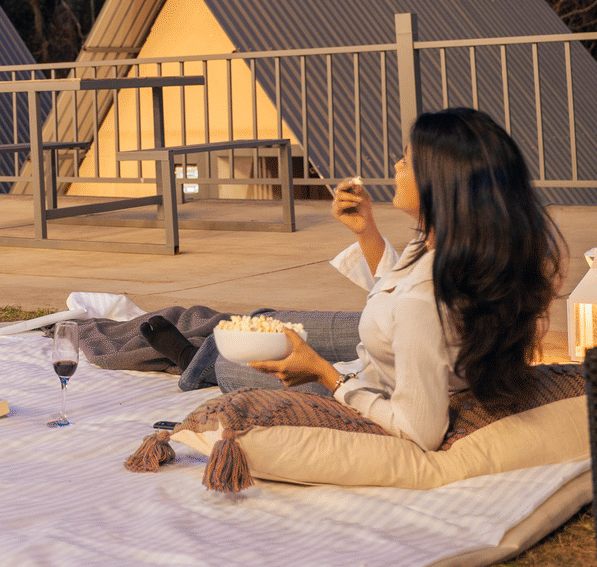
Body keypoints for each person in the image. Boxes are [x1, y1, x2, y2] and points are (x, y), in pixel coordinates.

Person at [203, 108, 562, 452]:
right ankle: (195, 340)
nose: (396, 166)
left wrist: (325, 375)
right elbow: (399, 288)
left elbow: (420, 431)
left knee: (229, 366)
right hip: (381, 341)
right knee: (268, 321)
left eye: (406, 162)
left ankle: (191, 352)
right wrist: (367, 232)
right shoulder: (458, 245)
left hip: (376, 371)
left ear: (438, 183)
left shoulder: (421, 305)